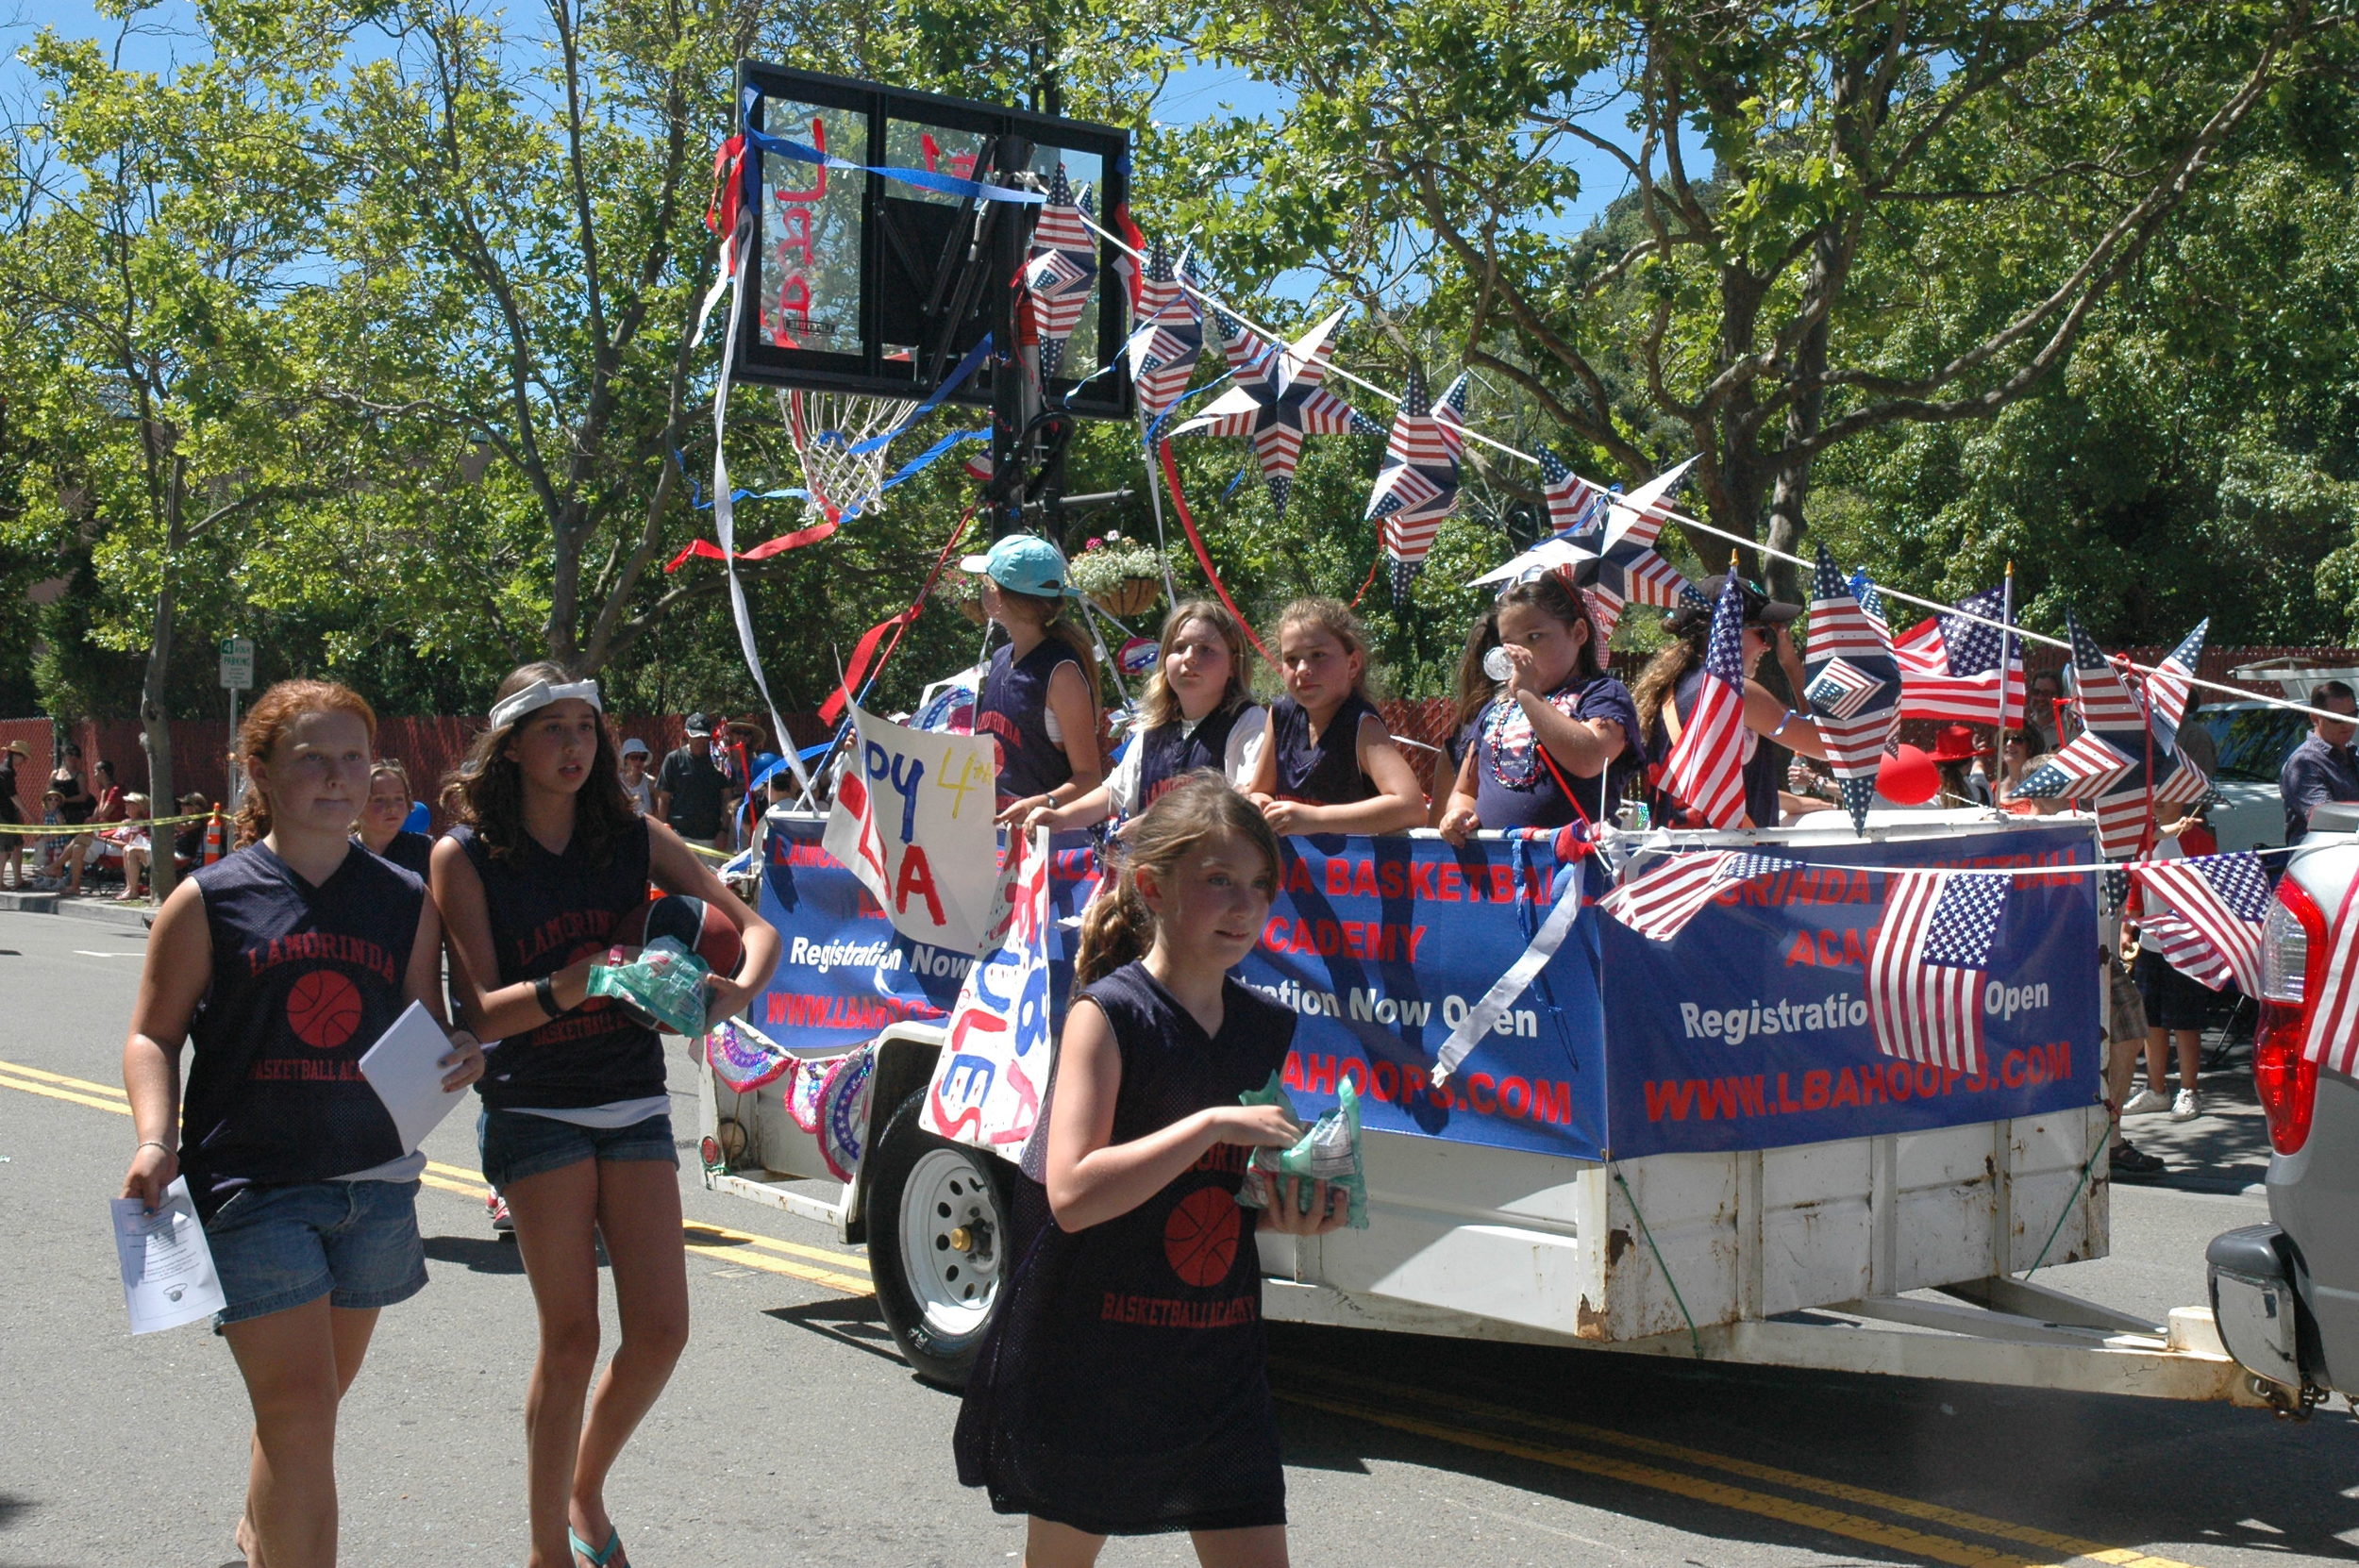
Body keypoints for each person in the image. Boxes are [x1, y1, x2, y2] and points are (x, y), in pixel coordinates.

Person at [119, 678, 483, 1568]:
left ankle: (260, 1534)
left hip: (374, 1186)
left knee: (308, 1414)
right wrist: (154, 1139)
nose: (337, 777)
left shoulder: (407, 899)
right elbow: (152, 1035)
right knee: (299, 1413)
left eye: (353, 757)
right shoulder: (210, 899)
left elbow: (417, 1026)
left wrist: (456, 1054)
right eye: (311, 759)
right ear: (262, 776)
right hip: (252, 1186)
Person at [431, 661, 780, 1568]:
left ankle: (585, 1489)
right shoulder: (463, 856)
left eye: (585, 727)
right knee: (574, 1334)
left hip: (628, 1096)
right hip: (535, 1104)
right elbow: (481, 1013)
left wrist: (730, 993)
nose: (574, 747)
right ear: (510, 746)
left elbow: (756, 926)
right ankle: (551, 1548)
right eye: (552, 730)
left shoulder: (633, 834)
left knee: (662, 1329)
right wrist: (576, 979)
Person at [953, 774, 1348, 1563]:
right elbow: (1071, 1194)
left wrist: (1291, 1206)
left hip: (1218, 1361)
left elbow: (1219, 1195)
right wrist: (1209, 1126)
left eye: (1260, 886)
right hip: (1098, 1358)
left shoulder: (1262, 1028)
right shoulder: (1108, 1015)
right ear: (1151, 888)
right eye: (1218, 882)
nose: (1244, 905)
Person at [1026, 600, 1265, 836]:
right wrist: (1061, 817)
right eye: (1179, 648)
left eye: (1206, 650)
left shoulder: (1248, 722)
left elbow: (1245, 802)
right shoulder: (1154, 731)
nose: (1189, 658)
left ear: (1234, 665)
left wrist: (1160, 823)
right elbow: (1113, 795)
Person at [1437, 572, 1645, 842]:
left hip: (1576, 867)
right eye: (1509, 643)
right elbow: (1466, 790)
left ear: (1578, 632)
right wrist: (1458, 812)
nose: (1520, 653)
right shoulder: (1496, 708)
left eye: (1534, 636)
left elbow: (1590, 759)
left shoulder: (1603, 695)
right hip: (1498, 868)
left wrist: (1528, 692)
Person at [1631, 575, 1832, 829]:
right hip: (1734, 860)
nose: (1769, 646)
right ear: (1727, 631)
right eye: (1762, 632)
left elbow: (1713, 789)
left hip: (1682, 858)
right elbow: (1826, 744)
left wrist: (1797, 803)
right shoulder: (1735, 692)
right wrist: (1792, 666)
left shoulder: (1671, 690)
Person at [1243, 597, 1426, 836]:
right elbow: (1261, 790)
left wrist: (1315, 819)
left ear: (1353, 664)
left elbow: (1411, 807)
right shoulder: (1280, 714)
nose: (1302, 669)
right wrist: (1257, 803)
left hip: (1354, 870)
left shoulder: (1361, 725)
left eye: (1318, 655)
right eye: (1291, 659)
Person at [961, 534, 1106, 824]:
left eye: (984, 583)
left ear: (998, 595)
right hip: (997, 844)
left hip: (1047, 851)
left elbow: (1090, 779)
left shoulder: (1061, 673)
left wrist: (1044, 802)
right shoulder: (1002, 658)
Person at [2124, 809, 2210, 1123]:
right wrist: (2129, 922)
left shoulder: (2197, 838)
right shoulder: (2147, 836)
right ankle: (2156, 1088)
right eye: (2154, 797)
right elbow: (2137, 878)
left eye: (2166, 796)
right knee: (2152, 1020)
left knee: (2185, 1021)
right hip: (2151, 940)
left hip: (2187, 942)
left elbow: (2206, 885)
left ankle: (2188, 1089)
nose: (2158, 803)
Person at [2280, 679, 2359, 845]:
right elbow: (2327, 819)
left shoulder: (2355, 754)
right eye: (2336, 718)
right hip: (2320, 863)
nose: (2347, 725)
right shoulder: (2303, 763)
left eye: (2353, 715)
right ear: (2315, 718)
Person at [655, 712, 732, 851]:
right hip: (680, 836)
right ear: (686, 734)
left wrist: (724, 830)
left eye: (704, 737)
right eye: (696, 736)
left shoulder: (719, 761)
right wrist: (664, 826)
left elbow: (727, 798)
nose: (700, 741)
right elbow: (664, 797)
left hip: (711, 838)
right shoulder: (673, 760)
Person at [356, 759, 434, 877]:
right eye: (379, 800)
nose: (392, 808)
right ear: (357, 806)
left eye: (399, 798)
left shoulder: (424, 848)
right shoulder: (342, 852)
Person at [109, 792, 156, 902]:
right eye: (126, 802)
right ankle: (129, 888)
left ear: (140, 806)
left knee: (130, 849)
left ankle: (133, 890)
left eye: (130, 803)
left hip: (139, 849)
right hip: (121, 847)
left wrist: (104, 840)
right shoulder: (125, 822)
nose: (126, 805)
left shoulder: (140, 822)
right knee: (128, 849)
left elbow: (130, 842)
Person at [0, 737, 26, 890]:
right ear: (15, 754)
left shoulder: (8, 771)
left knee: (17, 844)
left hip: (10, 812)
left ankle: (18, 879)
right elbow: (13, 796)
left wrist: (17, 813)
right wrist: (29, 815)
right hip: (3, 814)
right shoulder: (5, 772)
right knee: (4, 848)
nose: (24, 761)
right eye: (23, 757)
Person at [617, 738, 656, 817]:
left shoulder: (650, 783)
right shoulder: (616, 782)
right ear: (625, 759)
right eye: (634, 757)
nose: (638, 762)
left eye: (642, 758)